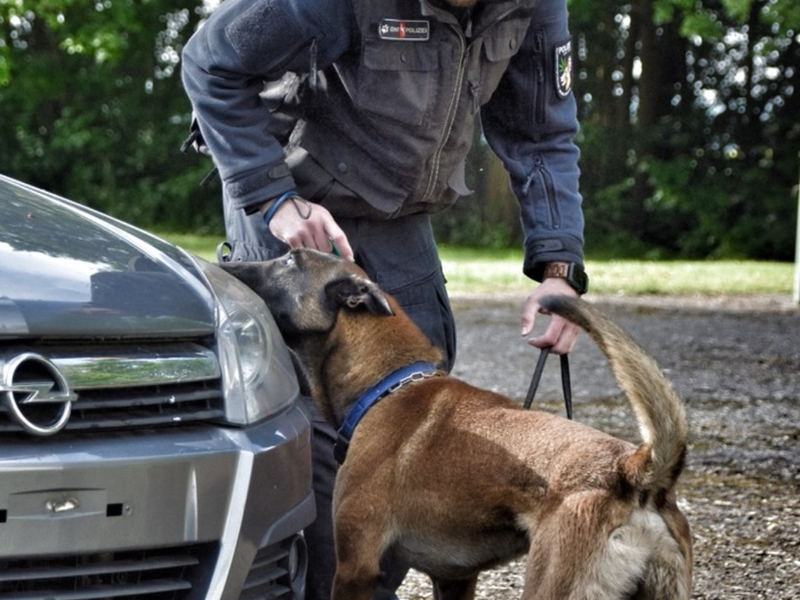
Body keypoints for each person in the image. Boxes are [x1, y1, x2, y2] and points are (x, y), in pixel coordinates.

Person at [181, 0, 588, 598]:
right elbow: (209, 63)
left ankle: (369, 585)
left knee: (417, 406)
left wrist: (558, 268)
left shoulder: (531, 6)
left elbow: (542, 130)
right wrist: (274, 198)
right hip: (288, 204)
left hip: (396, 212)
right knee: (319, 439)